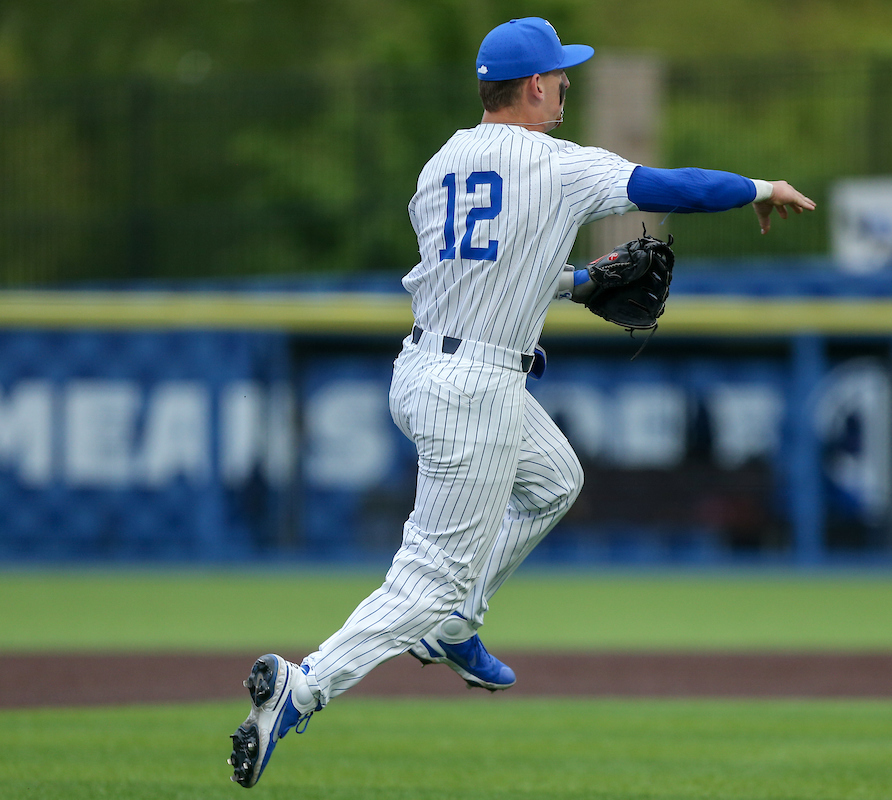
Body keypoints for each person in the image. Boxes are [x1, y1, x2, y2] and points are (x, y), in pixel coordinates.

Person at [227, 16, 815, 788]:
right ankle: (303, 688)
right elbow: (669, 188)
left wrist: (577, 283)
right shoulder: (558, 164)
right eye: (561, 74)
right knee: (425, 578)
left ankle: (457, 626)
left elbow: (486, 266)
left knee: (556, 480)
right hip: (476, 391)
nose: (568, 83)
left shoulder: (441, 162)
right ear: (534, 85)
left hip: (423, 368)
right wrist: (759, 188)